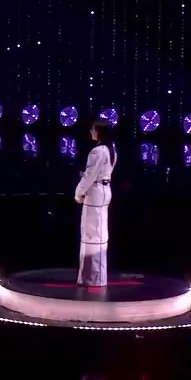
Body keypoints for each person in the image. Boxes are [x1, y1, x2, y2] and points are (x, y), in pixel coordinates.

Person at [75, 118, 117, 288]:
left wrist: (79, 192)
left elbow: (90, 175)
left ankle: (92, 277)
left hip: (95, 194)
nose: (90, 132)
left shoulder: (98, 151)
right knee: (99, 234)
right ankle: (95, 277)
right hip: (104, 191)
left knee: (91, 235)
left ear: (98, 131)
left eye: (92, 129)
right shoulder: (111, 149)